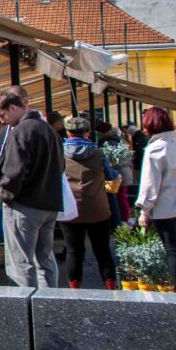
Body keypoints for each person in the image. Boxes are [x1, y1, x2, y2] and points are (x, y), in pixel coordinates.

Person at [0, 90, 64, 288]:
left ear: (13, 108)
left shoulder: (21, 131)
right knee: (45, 260)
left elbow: (15, 172)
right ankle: (49, 301)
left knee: (20, 263)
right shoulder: (49, 130)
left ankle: (23, 305)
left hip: (25, 206)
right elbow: (61, 166)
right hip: (49, 205)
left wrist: (5, 195)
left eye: (3, 115)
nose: (2, 121)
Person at [135, 107, 176, 293]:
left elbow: (150, 184)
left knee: (172, 250)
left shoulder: (154, 149)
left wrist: (144, 211)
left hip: (164, 206)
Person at [61, 117, 118, 290]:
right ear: (87, 133)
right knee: (103, 251)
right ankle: (111, 289)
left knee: (73, 251)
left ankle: (74, 290)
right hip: (97, 208)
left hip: (70, 209)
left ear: (68, 133)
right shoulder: (98, 153)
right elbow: (111, 176)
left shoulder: (60, 153)